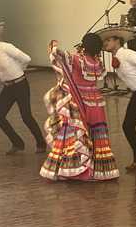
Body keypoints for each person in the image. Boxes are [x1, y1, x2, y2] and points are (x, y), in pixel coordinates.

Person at [40, 33, 120, 181]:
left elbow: (61, 53)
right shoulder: (97, 63)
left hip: (79, 102)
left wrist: (53, 46)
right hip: (96, 104)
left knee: (77, 134)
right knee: (96, 134)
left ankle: (79, 170)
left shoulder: (78, 60)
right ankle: (99, 170)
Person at [0, 22, 46, 155]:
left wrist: (19, 72)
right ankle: (17, 142)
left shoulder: (6, 47)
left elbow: (26, 59)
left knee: (26, 116)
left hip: (20, 84)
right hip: (7, 87)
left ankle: (41, 143)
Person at [99, 27, 136, 171]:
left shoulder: (129, 54)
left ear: (118, 41)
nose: (106, 43)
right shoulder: (116, 58)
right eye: (105, 41)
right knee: (128, 125)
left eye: (108, 40)